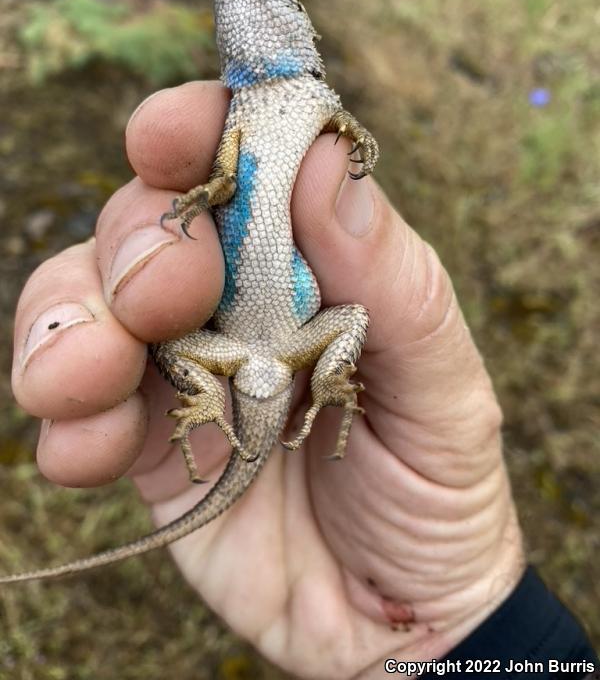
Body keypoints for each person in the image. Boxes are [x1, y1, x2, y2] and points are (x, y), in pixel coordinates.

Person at [11, 82, 597, 678]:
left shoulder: (316, 96)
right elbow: (222, 179)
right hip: (244, 351)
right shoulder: (240, 110)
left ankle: (327, 390)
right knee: (165, 328)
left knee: (353, 316)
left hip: (288, 348)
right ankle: (209, 396)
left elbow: (351, 146)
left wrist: (472, 614)